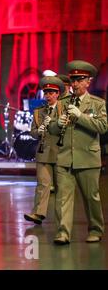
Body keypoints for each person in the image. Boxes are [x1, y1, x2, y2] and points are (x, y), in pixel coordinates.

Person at [49, 60, 107, 245]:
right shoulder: (63, 102)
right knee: (62, 198)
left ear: (88, 82)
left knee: (91, 197)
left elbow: (103, 126)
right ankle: (63, 233)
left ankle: (96, 230)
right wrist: (57, 125)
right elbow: (51, 128)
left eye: (79, 80)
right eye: (73, 80)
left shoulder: (97, 103)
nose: (74, 84)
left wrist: (80, 117)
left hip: (88, 157)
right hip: (65, 157)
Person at [24, 76, 64, 225]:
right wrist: (38, 131)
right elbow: (32, 133)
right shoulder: (38, 112)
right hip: (44, 152)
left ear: (57, 94)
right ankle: (38, 213)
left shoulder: (63, 109)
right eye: (46, 92)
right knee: (42, 184)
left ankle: (63, 219)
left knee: (62, 188)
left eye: (51, 93)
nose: (48, 96)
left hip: (61, 152)